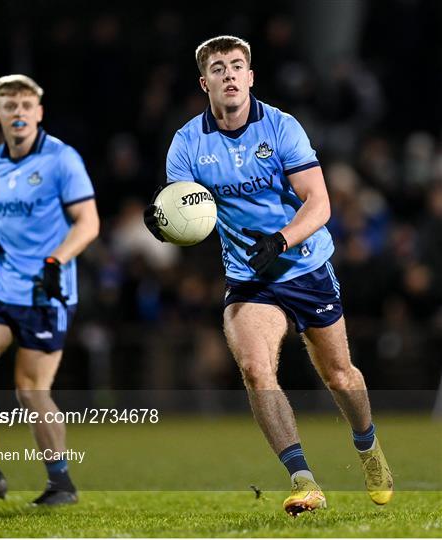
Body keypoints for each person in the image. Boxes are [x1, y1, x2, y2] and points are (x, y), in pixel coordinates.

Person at [144, 36, 393, 516]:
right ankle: (304, 480)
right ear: (205, 83)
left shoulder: (281, 127)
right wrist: (163, 224)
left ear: (251, 77)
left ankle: (368, 448)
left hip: (305, 265)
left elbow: (319, 203)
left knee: (339, 374)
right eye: (219, 69)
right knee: (257, 369)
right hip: (249, 279)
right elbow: (184, 210)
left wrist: (279, 240)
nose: (230, 75)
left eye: (238, 66)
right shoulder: (186, 143)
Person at [0, 74, 99, 506]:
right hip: (1, 284)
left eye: (26, 105)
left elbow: (89, 223)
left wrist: (56, 260)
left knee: (31, 392)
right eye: (9, 106)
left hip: (45, 292)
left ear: (39, 113)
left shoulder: (62, 160)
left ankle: (61, 483)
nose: (18, 113)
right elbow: (2, 198)